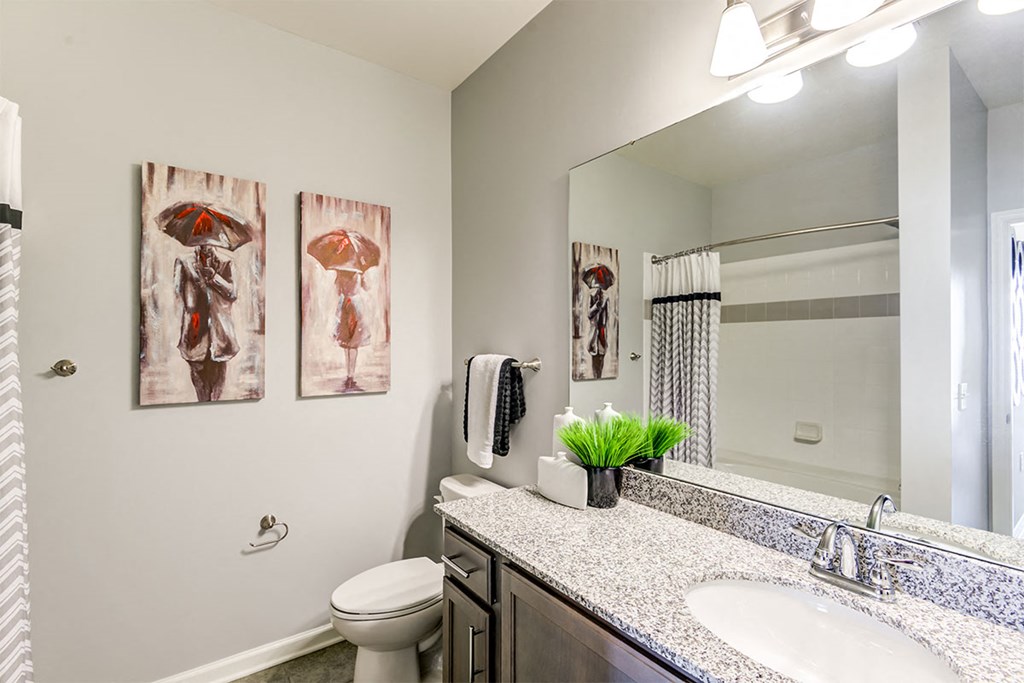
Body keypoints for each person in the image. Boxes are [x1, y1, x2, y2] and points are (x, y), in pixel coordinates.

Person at [173, 245, 239, 401]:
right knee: (201, 392)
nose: (206, 244)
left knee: (217, 391)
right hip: (195, 334)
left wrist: (214, 277)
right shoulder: (184, 262)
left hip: (221, 336)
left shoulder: (226, 262)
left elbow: (233, 293)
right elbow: (178, 290)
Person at [334, 269, 371, 390]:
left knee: (347, 343)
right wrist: (363, 277)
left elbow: (337, 291)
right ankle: (351, 375)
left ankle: (349, 375)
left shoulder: (340, 273)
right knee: (353, 344)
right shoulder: (359, 273)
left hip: (345, 304)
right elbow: (367, 288)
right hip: (356, 306)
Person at [588, 285, 609, 378]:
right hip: (594, 333)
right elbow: (589, 314)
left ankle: (599, 378)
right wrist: (597, 305)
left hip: (602, 332)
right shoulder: (592, 296)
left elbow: (607, 316)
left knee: (601, 361)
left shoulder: (606, 298)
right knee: (594, 361)